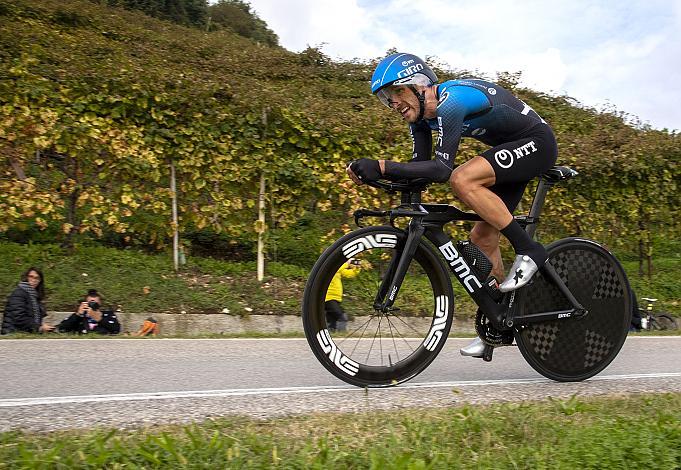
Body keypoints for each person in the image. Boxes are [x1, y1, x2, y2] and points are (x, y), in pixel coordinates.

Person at [347, 53, 558, 357]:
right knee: (481, 238)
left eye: (396, 93)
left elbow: (442, 170)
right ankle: (500, 321)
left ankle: (530, 250)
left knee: (462, 178)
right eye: (386, 99)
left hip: (538, 143)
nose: (393, 104)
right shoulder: (421, 122)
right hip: (511, 153)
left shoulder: (450, 101)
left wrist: (381, 165)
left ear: (419, 84)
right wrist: (374, 176)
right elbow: (420, 173)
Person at [1, 267, 55, 334]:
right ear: (26, 277)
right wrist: (39, 327)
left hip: (26, 331)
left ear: (40, 281)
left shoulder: (34, 295)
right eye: (31, 277)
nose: (33, 280)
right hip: (13, 332)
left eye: (37, 278)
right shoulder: (19, 294)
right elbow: (19, 318)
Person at [325, 259, 361, 332]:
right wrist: (347, 263)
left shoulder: (337, 271)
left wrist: (357, 268)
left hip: (336, 298)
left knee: (332, 320)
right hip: (328, 298)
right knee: (341, 316)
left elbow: (349, 274)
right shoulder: (329, 268)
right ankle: (342, 333)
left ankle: (332, 333)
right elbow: (338, 268)